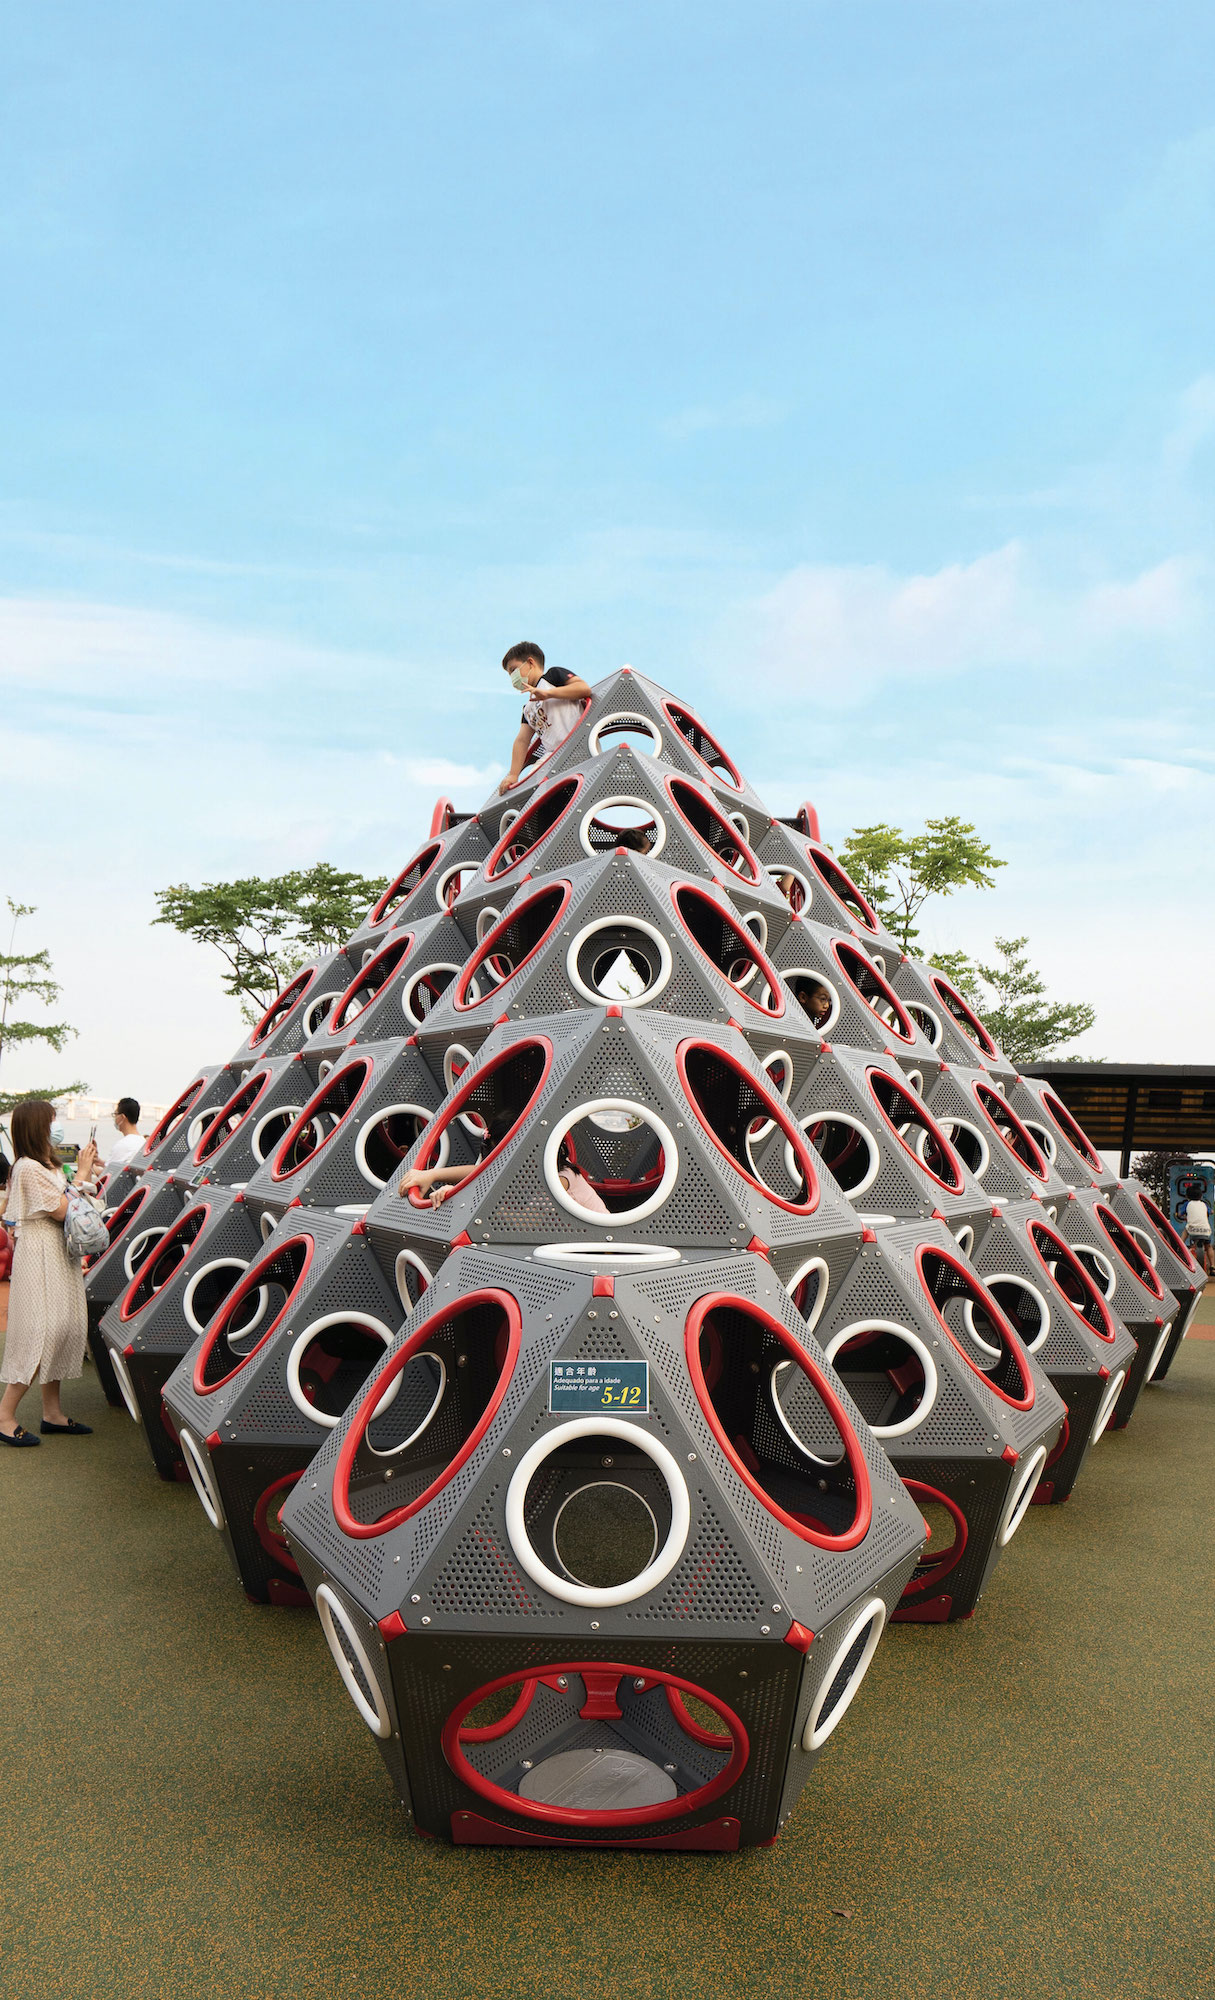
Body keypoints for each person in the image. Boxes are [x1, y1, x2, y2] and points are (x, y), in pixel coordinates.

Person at [0, 1099, 101, 1446]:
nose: (54, 1129)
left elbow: (70, 1200)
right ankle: (4, 1416)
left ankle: (52, 1414)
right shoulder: (28, 1167)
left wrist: (83, 1177)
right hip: (41, 1252)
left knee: (60, 1327)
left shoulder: (46, 1165)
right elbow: (61, 1210)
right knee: (41, 1331)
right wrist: (84, 1174)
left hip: (57, 1252)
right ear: (37, 1128)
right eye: (50, 1122)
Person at [498, 643, 593, 794]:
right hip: (553, 757)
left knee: (537, 791)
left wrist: (548, 694)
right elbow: (522, 740)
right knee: (530, 790)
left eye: (513, 670)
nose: (513, 678)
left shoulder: (553, 676)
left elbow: (583, 689)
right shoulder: (528, 708)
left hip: (577, 746)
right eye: (510, 675)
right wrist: (513, 774)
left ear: (530, 663)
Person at [104, 1097, 143, 1180]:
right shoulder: (143, 1142)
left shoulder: (123, 1145)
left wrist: (88, 1163)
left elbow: (107, 1175)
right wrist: (100, 1162)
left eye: (115, 1114)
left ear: (122, 1117)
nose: (114, 1118)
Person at [1183, 1194, 1213, 1277]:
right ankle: (1212, 1267)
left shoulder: (1187, 1204)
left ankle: (1180, 1244)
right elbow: (1212, 1212)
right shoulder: (1204, 1204)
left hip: (1192, 1230)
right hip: (1205, 1231)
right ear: (1200, 1196)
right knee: (1209, 1246)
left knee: (1186, 1229)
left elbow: (1180, 1214)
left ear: (1188, 1196)